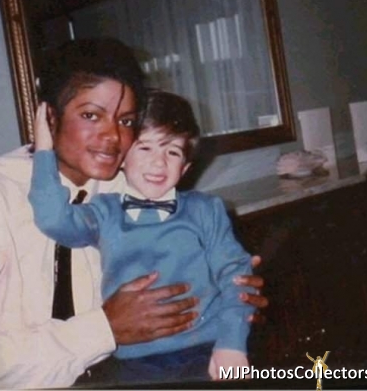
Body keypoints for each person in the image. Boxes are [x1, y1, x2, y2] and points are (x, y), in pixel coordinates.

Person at [0, 38, 268, 389]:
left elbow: (202, 260)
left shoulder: (130, 186)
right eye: (91, 115)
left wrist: (231, 296)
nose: (113, 136)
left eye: (126, 121)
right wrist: (105, 328)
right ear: (50, 117)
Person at [29, 89, 252, 383]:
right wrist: (44, 150)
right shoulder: (104, 212)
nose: (159, 163)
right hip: (135, 362)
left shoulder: (205, 210)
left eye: (172, 152)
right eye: (145, 148)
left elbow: (236, 274)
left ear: (185, 167)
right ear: (122, 158)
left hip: (208, 349)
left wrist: (232, 343)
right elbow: (53, 219)